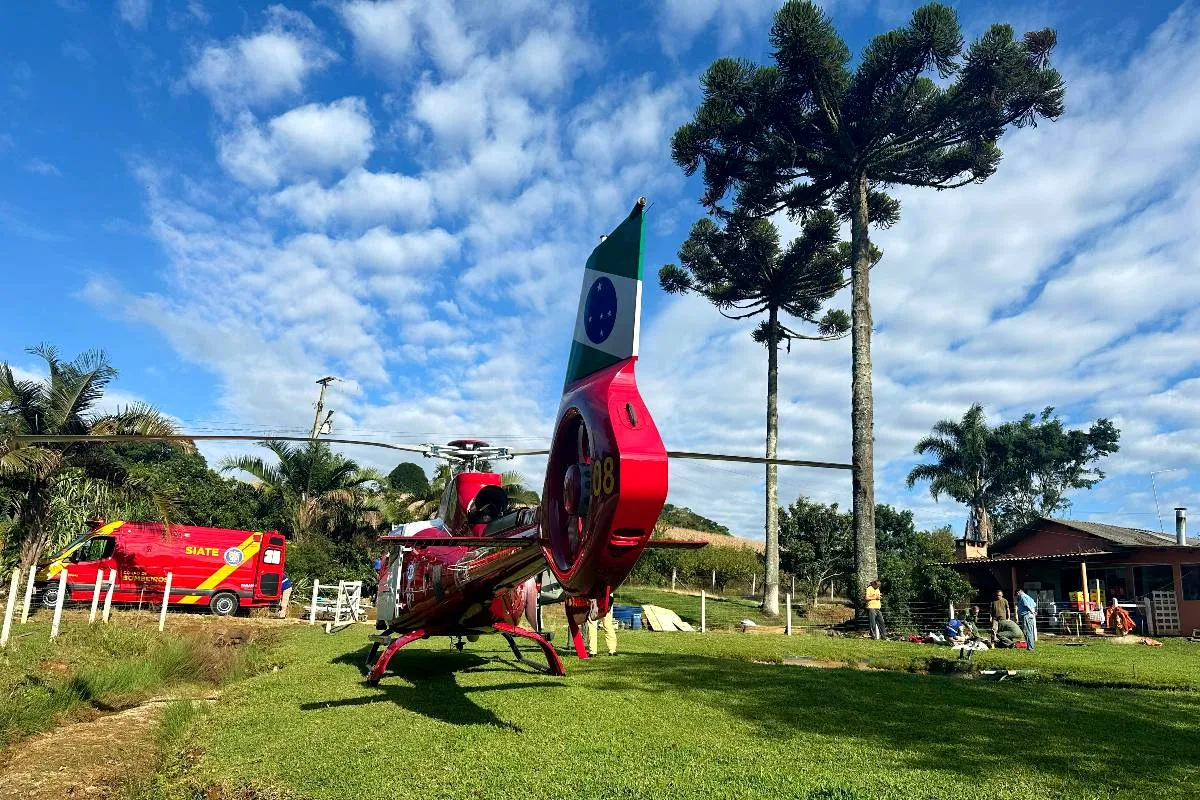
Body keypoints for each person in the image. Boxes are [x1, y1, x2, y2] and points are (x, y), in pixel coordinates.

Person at [585, 589, 617, 656]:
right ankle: (612, 650)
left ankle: (593, 651)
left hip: (594, 602)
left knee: (592, 627)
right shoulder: (608, 580)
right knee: (608, 626)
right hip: (604, 602)